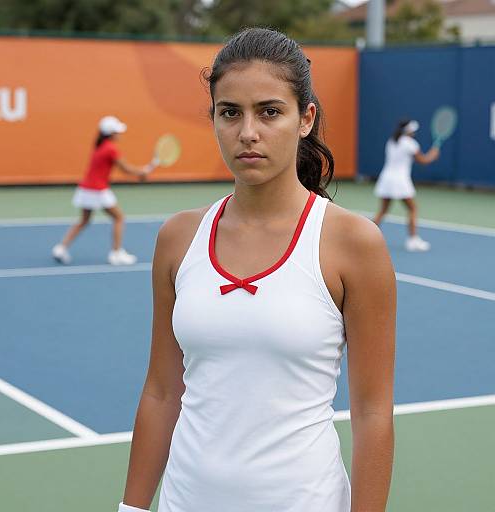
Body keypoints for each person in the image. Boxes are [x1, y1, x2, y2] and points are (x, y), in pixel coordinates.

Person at [119, 28, 396, 512]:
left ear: (305, 118)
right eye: (230, 113)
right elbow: (162, 392)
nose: (248, 132)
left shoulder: (353, 244)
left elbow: (372, 412)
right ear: (213, 120)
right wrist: (132, 508)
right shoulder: (177, 239)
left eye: (269, 111)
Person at [52, 115, 154, 265]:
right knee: (119, 218)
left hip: (86, 189)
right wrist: (141, 172)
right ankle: (116, 253)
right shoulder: (111, 149)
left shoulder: (100, 146)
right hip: (97, 190)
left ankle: (61, 248)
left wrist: (140, 172)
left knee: (84, 220)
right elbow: (125, 168)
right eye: (117, 131)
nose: (120, 134)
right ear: (111, 133)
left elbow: (124, 169)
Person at [373, 119, 440, 252]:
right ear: (409, 131)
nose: (414, 133)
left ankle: (363, 237)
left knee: (383, 211)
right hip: (399, 181)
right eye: (413, 131)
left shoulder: (392, 141)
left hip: (386, 179)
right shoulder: (410, 144)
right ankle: (413, 240)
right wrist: (433, 154)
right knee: (413, 209)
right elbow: (423, 160)